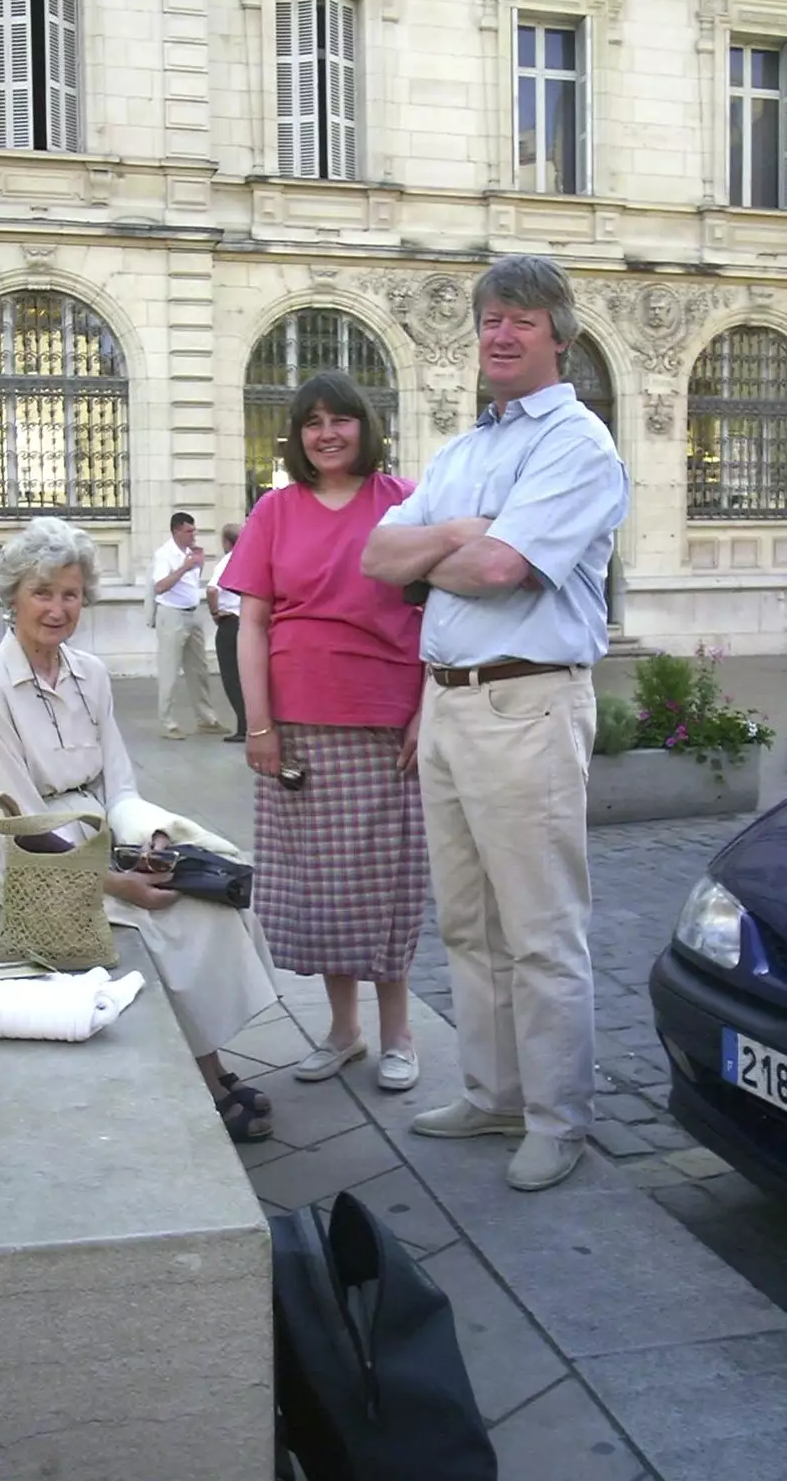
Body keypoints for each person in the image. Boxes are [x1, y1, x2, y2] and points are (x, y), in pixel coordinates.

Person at [361, 254, 630, 1192]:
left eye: (521, 319)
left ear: (560, 334)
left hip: (527, 700)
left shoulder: (577, 444)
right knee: (469, 923)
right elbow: (377, 554)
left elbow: (504, 571)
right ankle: (493, 1092)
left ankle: (558, 1117)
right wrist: (456, 536)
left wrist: (450, 547)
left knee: (541, 927)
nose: (501, 335)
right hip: (447, 700)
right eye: (489, 320)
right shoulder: (465, 449)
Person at [0, 517, 281, 1143]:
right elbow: (20, 823)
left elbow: (121, 788)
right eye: (42, 593)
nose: (57, 609)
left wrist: (153, 844)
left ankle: (204, 1064)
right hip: (32, 861)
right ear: (14, 596)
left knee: (214, 891)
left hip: (101, 835)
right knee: (168, 922)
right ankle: (209, 1076)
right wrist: (116, 883)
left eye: (70, 594)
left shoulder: (91, 674)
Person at [224, 371, 428, 1093]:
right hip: (297, 727)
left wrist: (427, 709)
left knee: (387, 883)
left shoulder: (404, 502)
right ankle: (344, 1032)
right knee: (323, 887)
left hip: (385, 722)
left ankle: (399, 1033)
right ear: (298, 437)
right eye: (312, 421)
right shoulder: (275, 512)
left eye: (341, 418)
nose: (328, 432)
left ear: (364, 426)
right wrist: (258, 724)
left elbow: (443, 615)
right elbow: (250, 624)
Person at [151, 511, 224, 740]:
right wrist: (184, 567)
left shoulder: (190, 553)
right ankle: (168, 723)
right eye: (188, 531)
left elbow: (191, 584)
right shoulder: (165, 555)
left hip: (193, 614)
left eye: (194, 530)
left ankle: (206, 719)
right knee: (170, 671)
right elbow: (160, 587)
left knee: (199, 670)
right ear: (176, 531)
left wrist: (196, 565)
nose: (193, 535)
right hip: (171, 615)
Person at [206, 523, 247, 744]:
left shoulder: (227, 561)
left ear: (226, 542)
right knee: (246, 676)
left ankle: (244, 726)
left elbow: (212, 589)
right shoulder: (249, 559)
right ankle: (248, 723)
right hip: (247, 622)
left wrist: (214, 612)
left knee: (232, 677)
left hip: (230, 621)